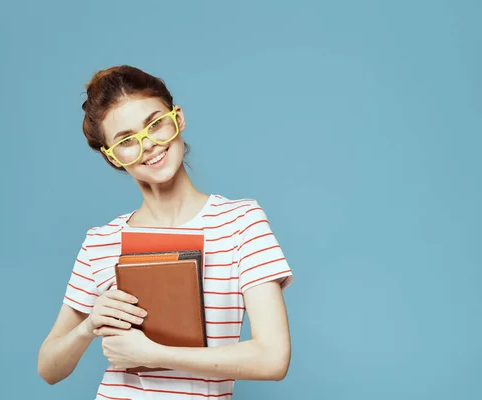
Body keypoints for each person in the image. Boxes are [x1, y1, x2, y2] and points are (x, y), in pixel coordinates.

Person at [37, 65, 294, 399]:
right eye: (126, 140)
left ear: (178, 119)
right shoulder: (100, 242)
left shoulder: (240, 223)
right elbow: (49, 369)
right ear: (113, 157)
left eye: (156, 123)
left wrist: (152, 354)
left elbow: (273, 358)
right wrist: (89, 326)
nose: (149, 145)